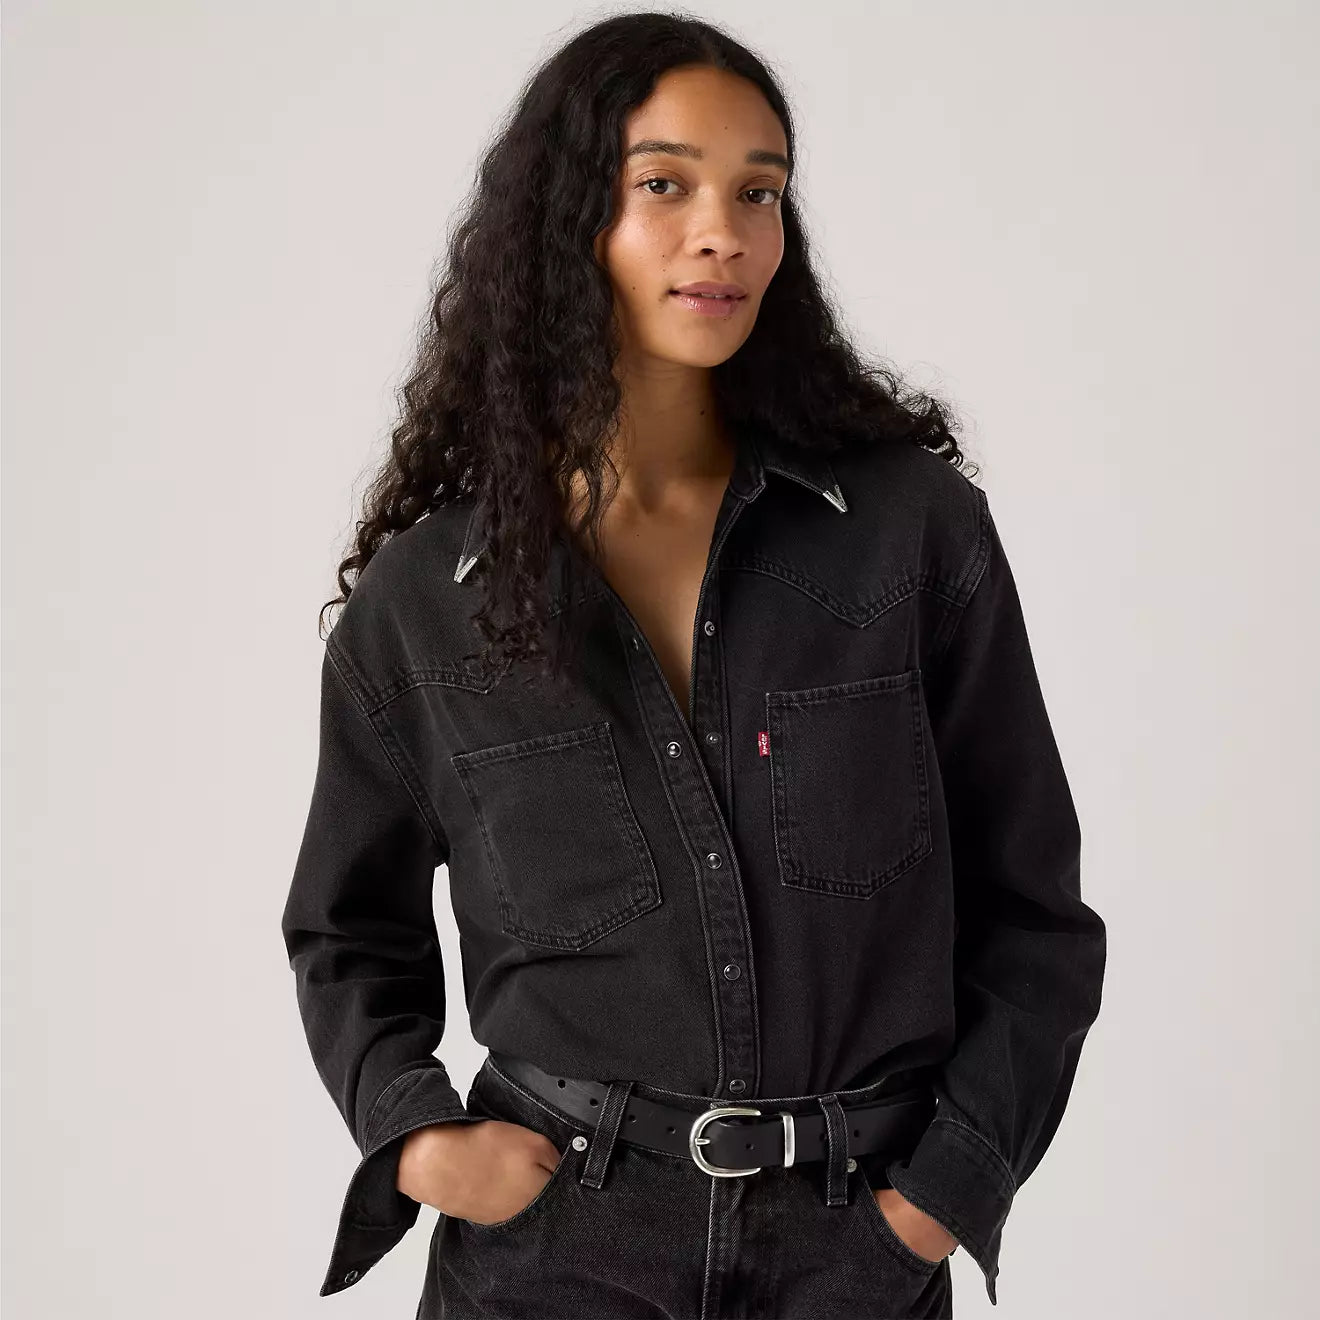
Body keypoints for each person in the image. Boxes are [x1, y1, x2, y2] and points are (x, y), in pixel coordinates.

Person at [280, 13, 1107, 1318]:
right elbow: (345, 929)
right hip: (551, 1252)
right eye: (663, 183)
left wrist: (936, 1200)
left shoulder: (909, 535)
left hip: (855, 1249)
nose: (722, 230)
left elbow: (1034, 912)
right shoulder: (427, 602)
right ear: (568, 218)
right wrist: (419, 1134)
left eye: (758, 192)